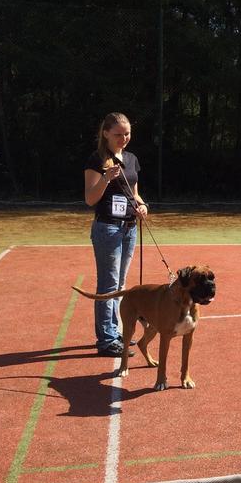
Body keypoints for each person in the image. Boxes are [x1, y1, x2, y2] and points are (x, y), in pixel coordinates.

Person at [83, 112, 149, 357]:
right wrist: (105, 180)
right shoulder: (96, 159)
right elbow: (90, 199)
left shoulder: (131, 159)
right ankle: (106, 339)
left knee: (120, 284)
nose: (124, 138)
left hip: (129, 227)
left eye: (127, 134)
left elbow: (134, 193)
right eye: (118, 134)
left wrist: (142, 206)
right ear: (106, 134)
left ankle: (115, 331)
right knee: (108, 284)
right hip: (107, 228)